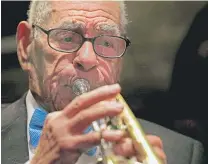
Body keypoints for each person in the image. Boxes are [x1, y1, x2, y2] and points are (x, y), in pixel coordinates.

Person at [1, 1, 205, 164]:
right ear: (26, 46)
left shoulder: (183, 153)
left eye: (107, 42)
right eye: (68, 37)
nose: (88, 59)